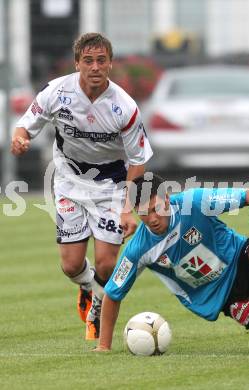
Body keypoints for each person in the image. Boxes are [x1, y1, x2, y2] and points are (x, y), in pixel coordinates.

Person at [10, 33, 153, 340]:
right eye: (88, 60)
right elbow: (26, 123)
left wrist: (128, 208)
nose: (95, 67)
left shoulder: (124, 107)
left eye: (101, 60)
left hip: (112, 185)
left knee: (106, 261)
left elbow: (138, 160)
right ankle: (88, 287)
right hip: (69, 180)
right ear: (77, 64)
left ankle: (99, 310)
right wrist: (20, 138)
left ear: (111, 64)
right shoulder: (57, 92)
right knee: (71, 265)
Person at [95, 173, 249, 351]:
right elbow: (113, 293)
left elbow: (248, 195)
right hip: (227, 297)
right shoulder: (138, 249)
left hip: (241, 259)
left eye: (156, 208)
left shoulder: (195, 201)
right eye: (143, 213)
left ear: (166, 198)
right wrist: (104, 346)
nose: (152, 219)